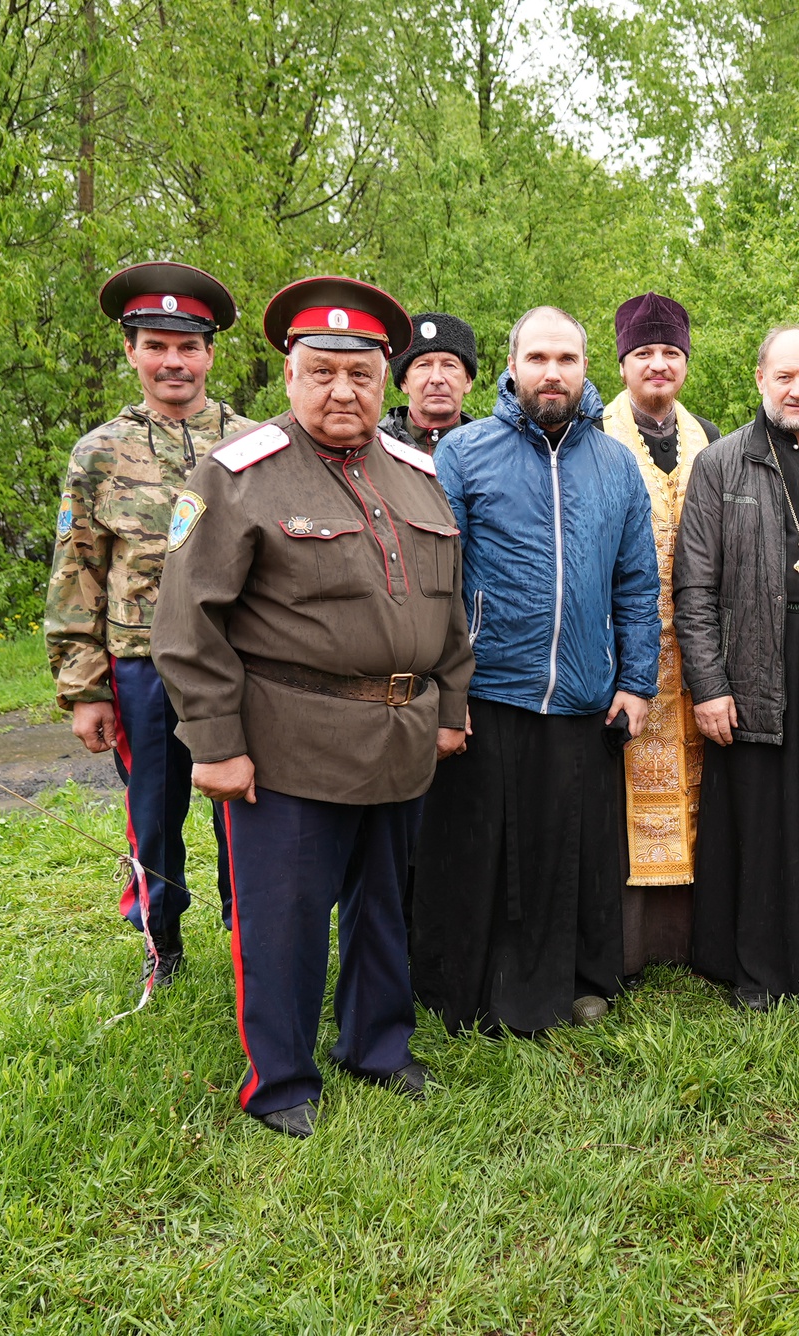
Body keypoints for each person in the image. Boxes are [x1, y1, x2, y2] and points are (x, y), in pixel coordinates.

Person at [152, 276, 474, 1139]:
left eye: (361, 375)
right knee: (284, 919)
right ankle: (282, 1079)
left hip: (401, 737)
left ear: (385, 381)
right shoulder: (236, 477)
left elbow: (445, 601)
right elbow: (186, 625)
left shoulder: (417, 473)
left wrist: (451, 704)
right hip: (288, 742)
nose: (343, 391)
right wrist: (216, 744)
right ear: (290, 376)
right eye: (323, 371)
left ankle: (377, 1046)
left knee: (383, 907)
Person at [408, 306, 659, 1036]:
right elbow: (439, 585)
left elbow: (637, 584)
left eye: (567, 360)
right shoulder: (463, 454)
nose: (553, 372)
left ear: (586, 372)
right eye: (539, 358)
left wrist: (636, 682)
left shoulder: (615, 463)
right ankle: (468, 989)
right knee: (481, 851)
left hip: (582, 695)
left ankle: (577, 983)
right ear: (512, 367)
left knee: (568, 851)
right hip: (489, 691)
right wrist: (447, 694)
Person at [45, 262, 259, 987]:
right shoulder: (99, 452)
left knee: (247, 805)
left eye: (189, 345)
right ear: (132, 352)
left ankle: (251, 931)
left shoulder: (256, 443)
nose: (174, 361)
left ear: (209, 354)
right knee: (154, 812)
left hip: (241, 662)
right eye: (157, 344)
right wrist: (85, 687)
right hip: (141, 665)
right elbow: (76, 572)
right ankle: (161, 939)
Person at [675, 325, 799, 1009]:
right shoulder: (722, 464)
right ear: (760, 378)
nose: (796, 389)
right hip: (754, 659)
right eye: (783, 376)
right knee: (760, 819)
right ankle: (756, 969)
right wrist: (710, 686)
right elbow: (694, 589)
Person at [599, 292, 721, 972]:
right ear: (622, 364)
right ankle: (628, 948)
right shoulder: (596, 433)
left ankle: (683, 942)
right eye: (644, 353)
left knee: (692, 789)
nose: (658, 365)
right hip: (622, 649)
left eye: (670, 352)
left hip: (696, 647)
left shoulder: (708, 436)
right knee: (624, 797)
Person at [380, 313, 478, 452]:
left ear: (468, 381)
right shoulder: (376, 449)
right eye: (424, 365)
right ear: (403, 381)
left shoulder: (488, 450)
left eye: (449, 365)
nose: (437, 378)